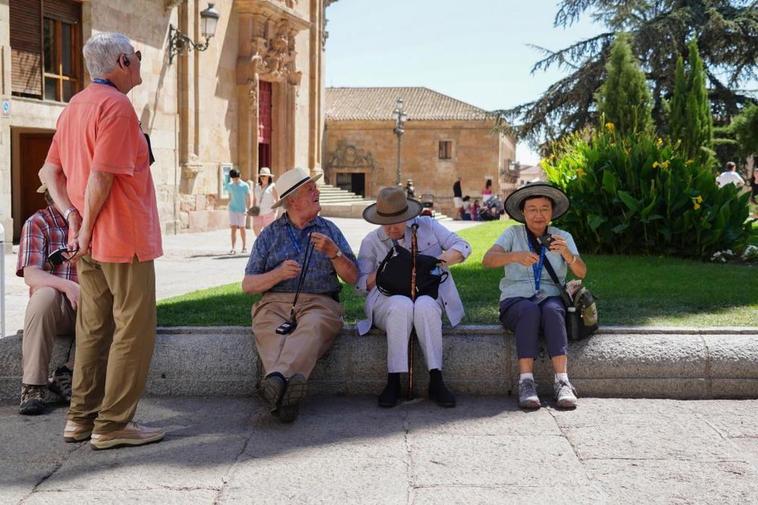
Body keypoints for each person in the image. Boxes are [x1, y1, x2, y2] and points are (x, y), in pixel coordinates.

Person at [39, 32, 165, 449]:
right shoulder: (116, 107)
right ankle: (112, 425)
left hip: (89, 241)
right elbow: (101, 175)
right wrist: (87, 223)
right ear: (124, 62)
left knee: (93, 327)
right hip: (121, 237)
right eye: (138, 56)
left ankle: (80, 420)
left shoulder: (75, 105)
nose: (141, 62)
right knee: (134, 329)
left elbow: (49, 173)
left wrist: (73, 218)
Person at [242, 167, 358, 423]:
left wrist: (334, 253)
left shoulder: (330, 230)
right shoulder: (269, 235)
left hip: (320, 302)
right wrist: (278, 274)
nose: (317, 191)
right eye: (310, 189)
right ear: (292, 201)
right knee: (267, 328)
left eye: (314, 187)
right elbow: (248, 285)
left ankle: (274, 383)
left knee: (312, 326)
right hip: (275, 303)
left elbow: (353, 277)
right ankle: (285, 397)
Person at [356, 186, 471, 408]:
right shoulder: (371, 241)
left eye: (396, 222)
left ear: (407, 216)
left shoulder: (427, 226)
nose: (390, 229)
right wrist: (383, 272)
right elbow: (360, 285)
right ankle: (393, 381)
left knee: (425, 306)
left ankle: (436, 379)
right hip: (386, 300)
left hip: (425, 293)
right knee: (401, 305)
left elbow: (463, 246)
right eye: (385, 222)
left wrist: (435, 262)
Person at [482, 182, 587, 410]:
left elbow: (581, 272)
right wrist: (514, 256)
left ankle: (562, 381)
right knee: (529, 310)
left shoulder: (562, 236)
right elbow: (488, 260)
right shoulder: (512, 233)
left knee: (551, 309)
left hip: (550, 299)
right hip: (515, 301)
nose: (538, 215)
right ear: (523, 212)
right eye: (532, 209)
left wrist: (567, 254)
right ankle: (526, 382)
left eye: (544, 209)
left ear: (551, 212)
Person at [15, 184, 78, 416]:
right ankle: (33, 386)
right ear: (53, 195)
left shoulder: (90, 222)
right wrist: (69, 287)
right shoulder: (38, 222)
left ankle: (67, 373)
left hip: (91, 307)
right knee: (43, 295)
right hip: (57, 309)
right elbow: (31, 275)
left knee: (120, 304)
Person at [224, 168, 252, 254]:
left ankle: (244, 247)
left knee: (242, 228)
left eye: (236, 178)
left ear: (239, 176)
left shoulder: (245, 185)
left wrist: (248, 208)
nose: (235, 180)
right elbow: (229, 195)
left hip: (242, 209)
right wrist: (229, 204)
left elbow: (248, 197)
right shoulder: (229, 185)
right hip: (232, 209)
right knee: (233, 228)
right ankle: (233, 248)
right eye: (233, 178)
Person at [252, 166, 279, 236]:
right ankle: (262, 242)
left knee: (269, 233)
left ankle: (267, 244)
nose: (262, 178)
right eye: (261, 176)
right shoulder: (257, 187)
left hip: (269, 213)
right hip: (258, 213)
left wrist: (275, 211)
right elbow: (255, 199)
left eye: (264, 176)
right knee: (255, 228)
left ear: (268, 177)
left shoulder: (272, 186)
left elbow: (277, 199)